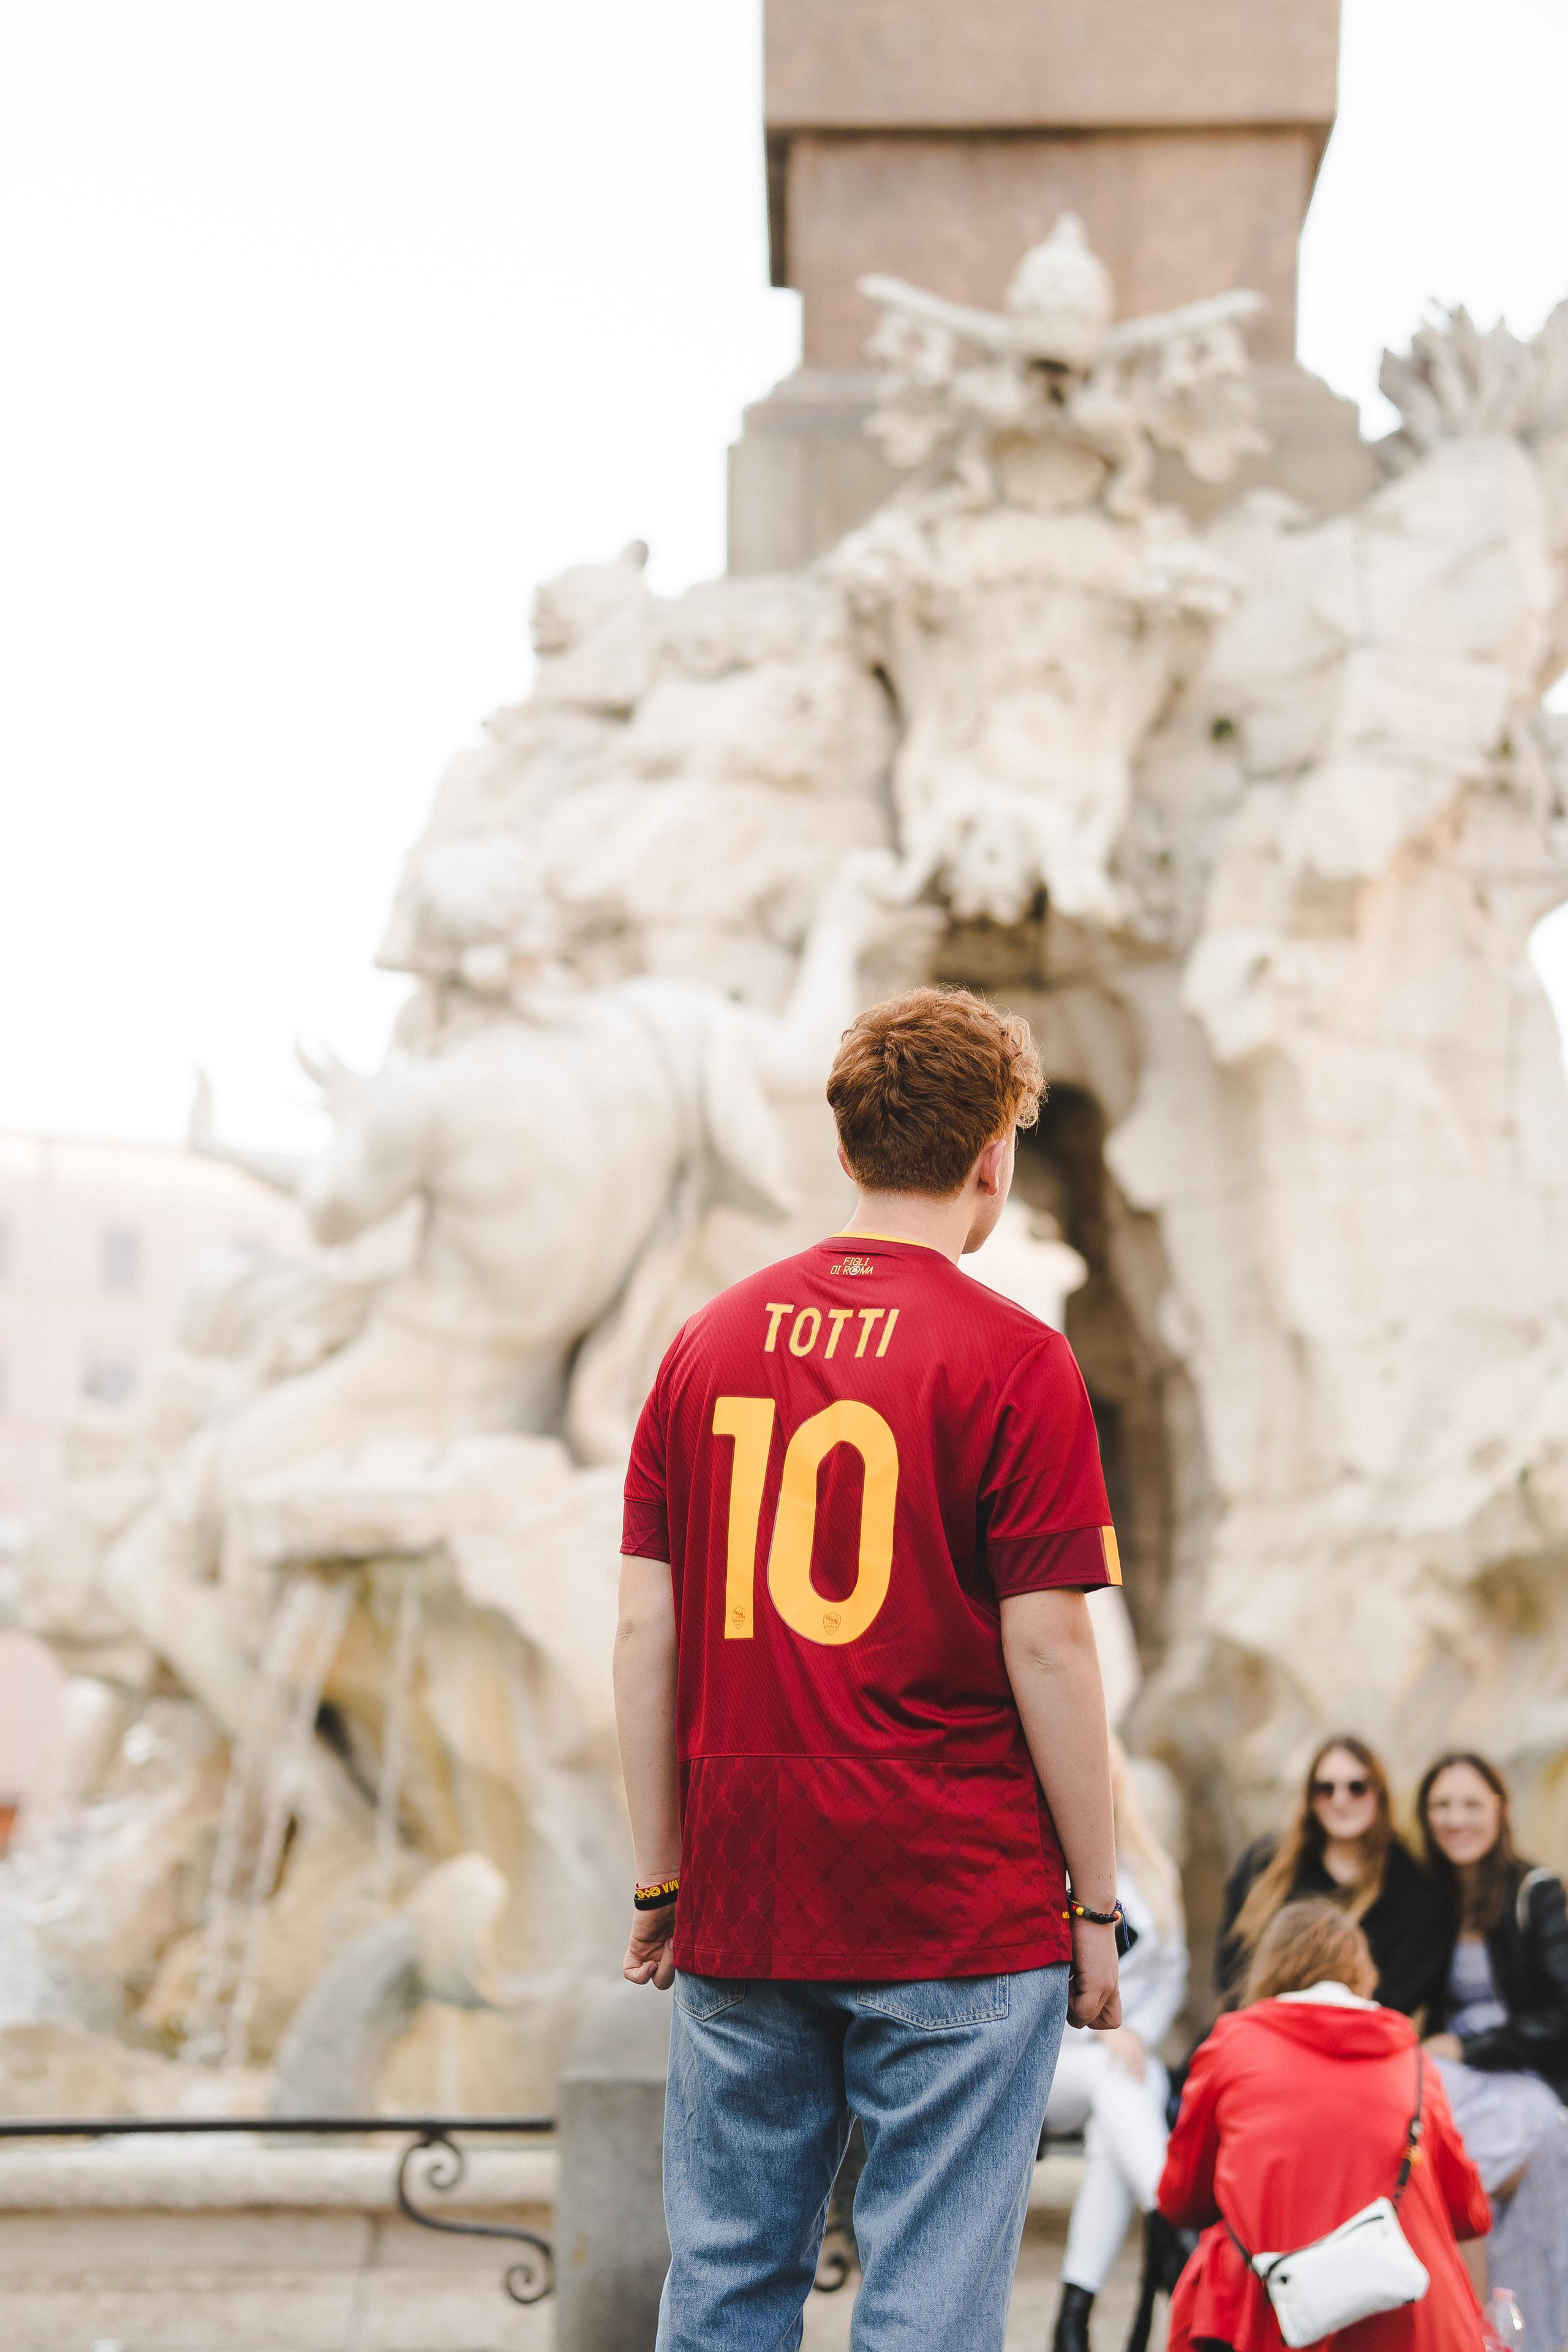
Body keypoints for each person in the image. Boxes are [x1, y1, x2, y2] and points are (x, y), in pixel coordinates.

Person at [614, 985, 1125, 2352]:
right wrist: (1094, 1902)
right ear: (993, 1158)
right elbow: (1050, 1647)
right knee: (928, 2306)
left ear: (843, 1148)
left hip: (749, 1879)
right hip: (958, 1893)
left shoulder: (705, 1343)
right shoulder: (1019, 1361)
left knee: (724, 2282)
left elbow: (647, 1634)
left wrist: (662, 1876)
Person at [1159, 1899, 1490, 2352]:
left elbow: (1182, 2200)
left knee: (1219, 2251)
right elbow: (1470, 2213)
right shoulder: (1413, 2063)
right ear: (1361, 1973)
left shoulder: (1231, 2045)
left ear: (1270, 1968)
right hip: (1409, 2319)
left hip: (1276, 2311)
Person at [1418, 1751, 1568, 2352]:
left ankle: (1503, 2332)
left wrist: (1469, 2045)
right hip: (1447, 2076)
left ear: (1500, 1810)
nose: (1456, 1819)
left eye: (1471, 1804)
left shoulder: (1535, 1892)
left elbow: (1562, 2013)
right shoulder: (1425, 1899)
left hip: (1519, 2072)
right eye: (1441, 1805)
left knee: (1478, 2184)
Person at [1047, 1739, 1190, 2352]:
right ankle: (1176, 2229)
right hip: (1050, 2066)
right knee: (1125, 2081)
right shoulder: (1041, 1867)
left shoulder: (1154, 1872)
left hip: (1125, 2057)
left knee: (1119, 2120)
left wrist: (1133, 2034)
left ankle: (1072, 2321)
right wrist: (1106, 2037)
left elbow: (1172, 1974)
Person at [1215, 1736, 1447, 2016]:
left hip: (1357, 2034)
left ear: (1379, 1794)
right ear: (1310, 1797)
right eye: (1326, 1789)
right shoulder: (1265, 1864)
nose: (1340, 1800)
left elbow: (1403, 1990)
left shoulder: (1411, 1888)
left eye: (1357, 1788)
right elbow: (1231, 1962)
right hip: (1260, 2024)